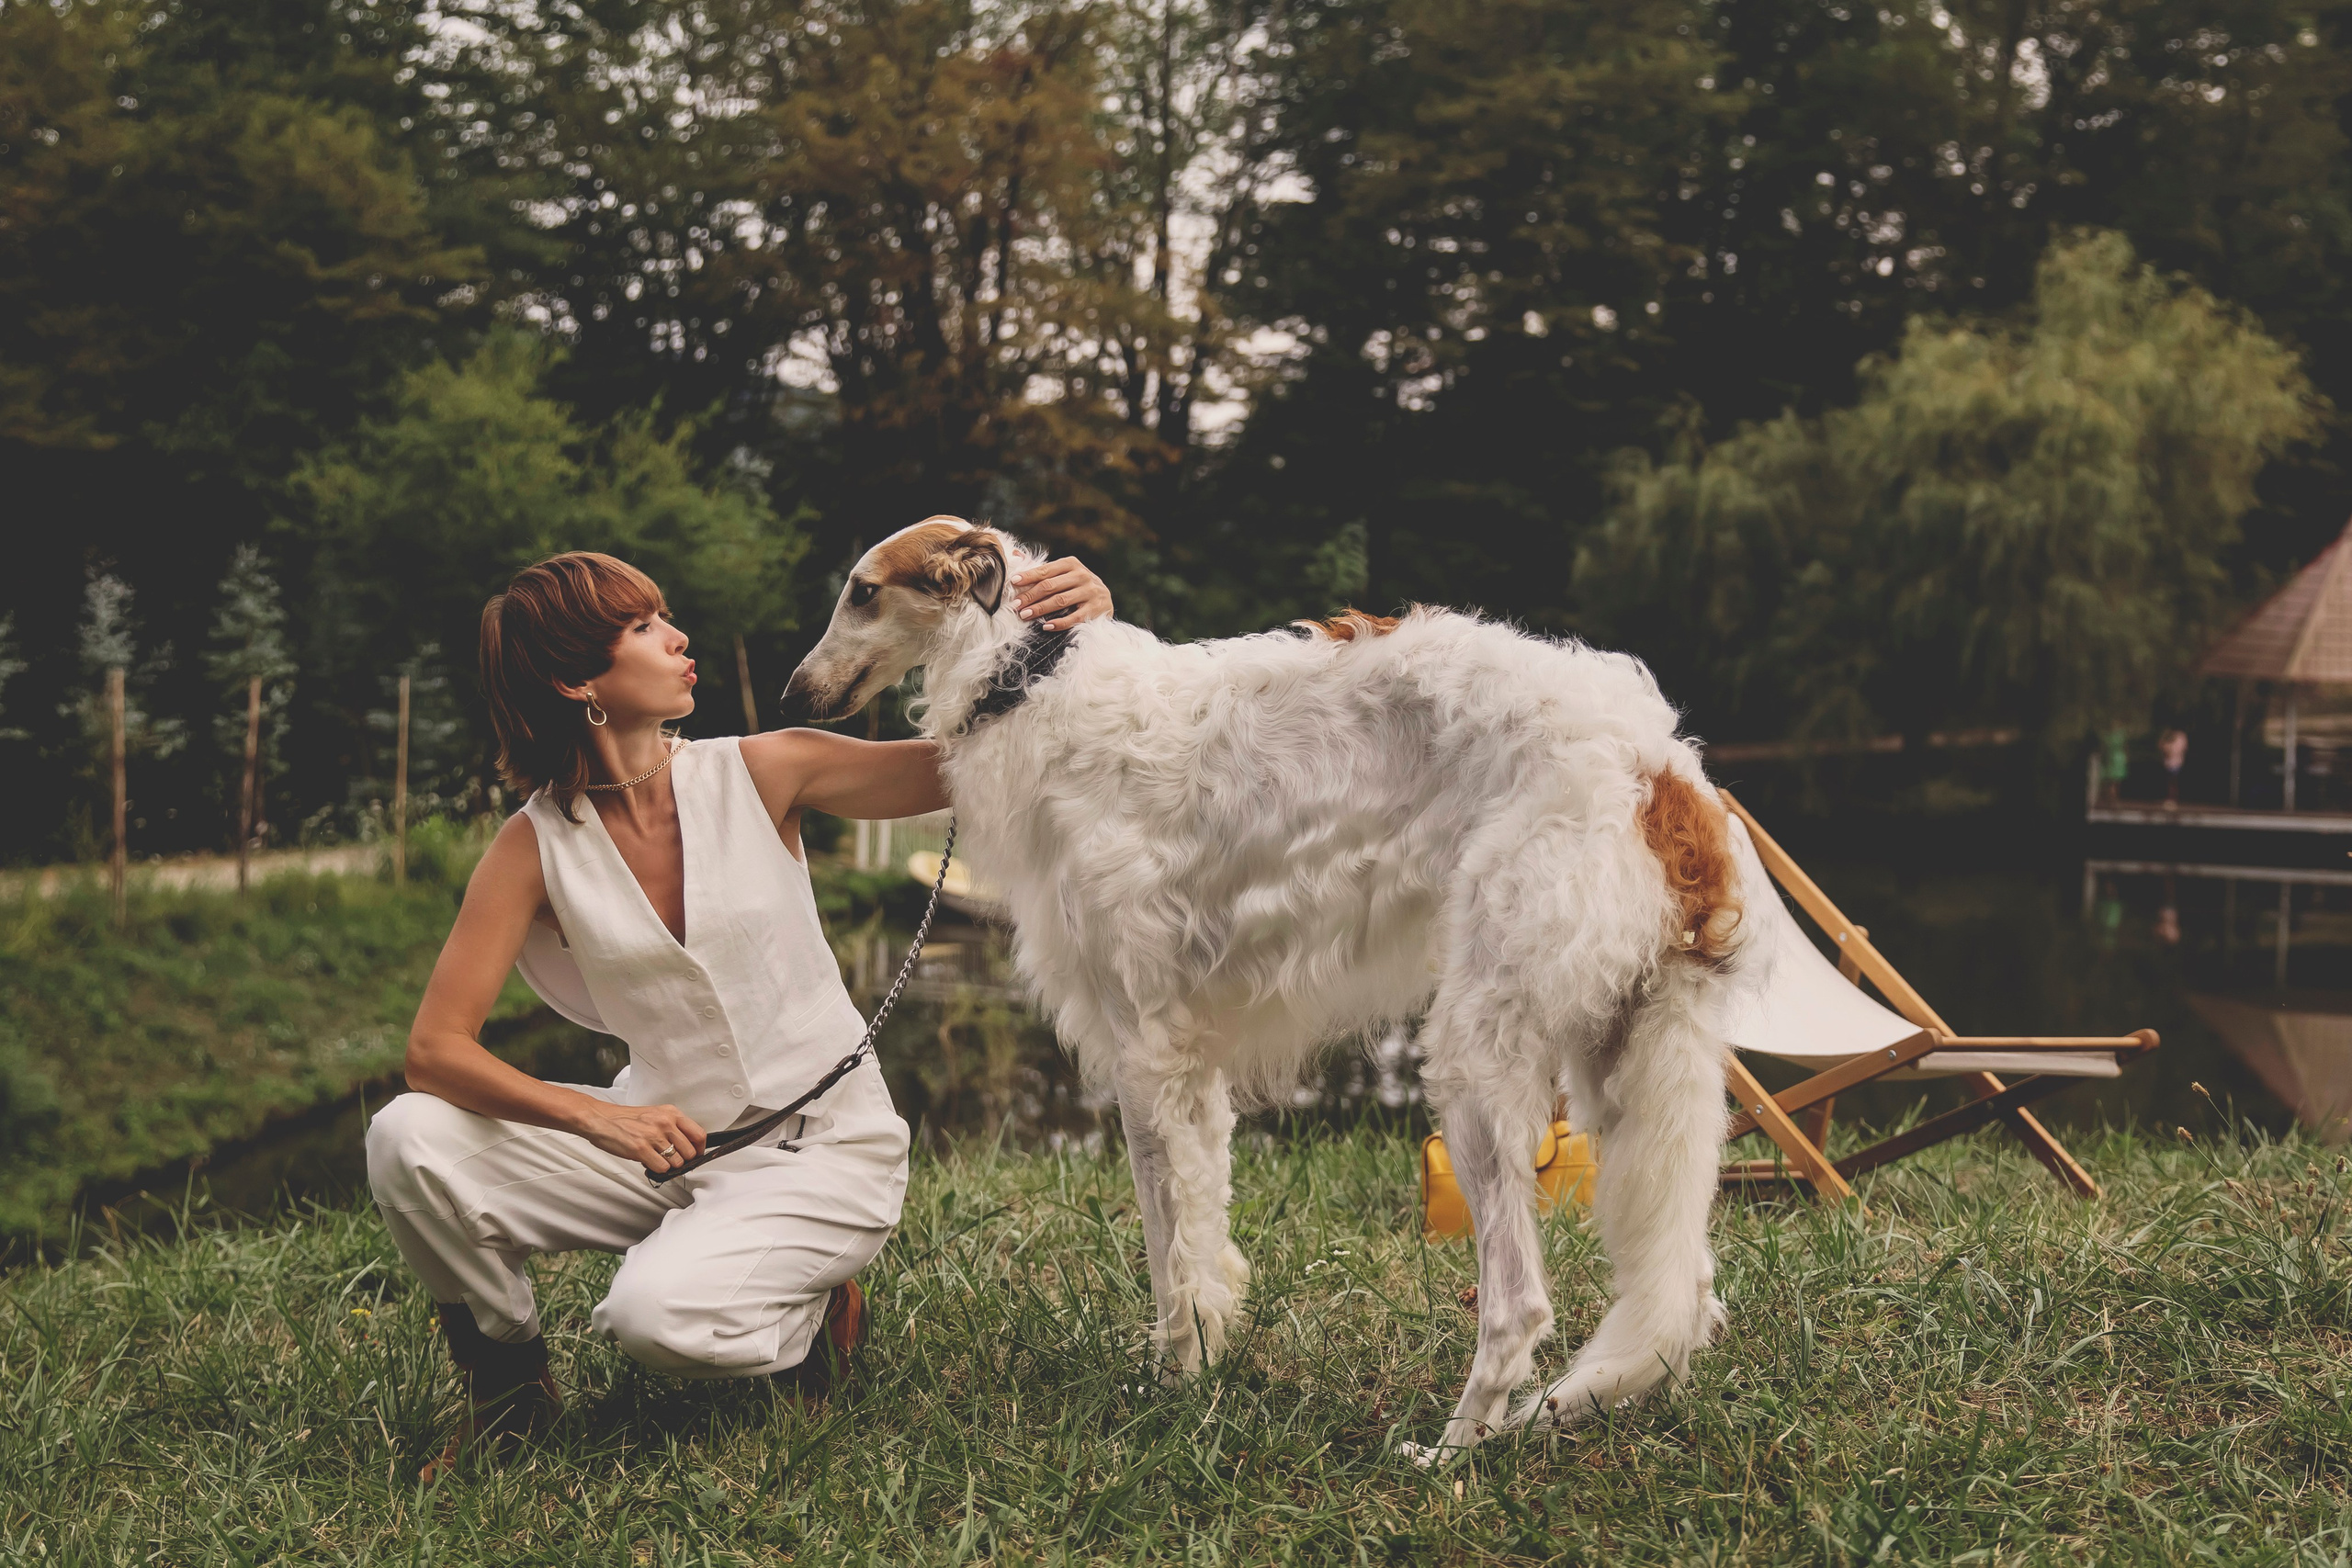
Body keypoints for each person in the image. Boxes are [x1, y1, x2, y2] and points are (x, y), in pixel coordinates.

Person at [364, 547, 1114, 1483]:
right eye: (641, 627)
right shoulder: (530, 847)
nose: (677, 638)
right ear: (574, 680)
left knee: (652, 1323)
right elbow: (434, 1051)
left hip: (818, 1150)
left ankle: (817, 1316)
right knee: (409, 1139)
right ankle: (510, 1392)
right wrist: (601, 1115)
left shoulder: (766, 770)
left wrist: (1065, 638)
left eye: (663, 616)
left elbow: (975, 761)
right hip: (663, 1145)